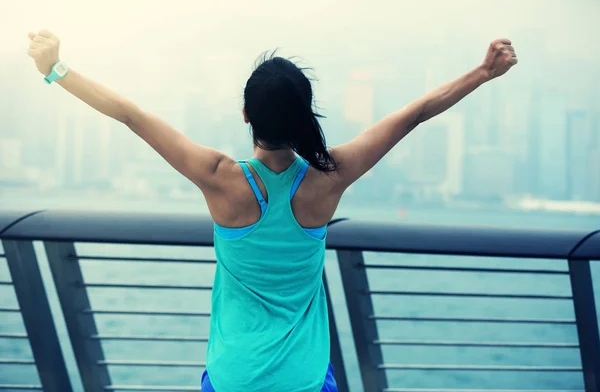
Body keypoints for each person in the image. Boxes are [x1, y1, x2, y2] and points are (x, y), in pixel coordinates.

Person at [26, 29, 517, 392]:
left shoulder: (220, 178)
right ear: (305, 116)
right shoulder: (328, 180)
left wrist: (55, 68)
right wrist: (484, 71)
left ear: (246, 115)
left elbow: (130, 114)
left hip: (233, 376)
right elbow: (412, 114)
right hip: (303, 379)